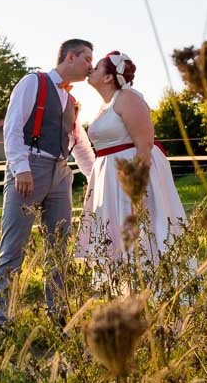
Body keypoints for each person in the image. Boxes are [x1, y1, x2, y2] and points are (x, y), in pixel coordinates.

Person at [0, 39, 96, 329]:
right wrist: (20, 168)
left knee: (59, 246)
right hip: (29, 168)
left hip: (60, 172)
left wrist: (96, 177)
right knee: (13, 246)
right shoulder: (32, 82)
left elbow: (79, 144)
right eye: (87, 59)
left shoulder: (71, 101)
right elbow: (12, 128)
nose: (91, 66)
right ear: (70, 57)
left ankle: (58, 312)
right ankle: (1, 319)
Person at [76, 51, 186, 267]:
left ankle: (149, 287)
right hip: (109, 179)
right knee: (114, 232)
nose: (91, 70)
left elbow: (145, 144)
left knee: (139, 233)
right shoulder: (105, 106)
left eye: (97, 67)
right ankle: (122, 288)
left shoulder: (128, 98)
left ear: (108, 77)